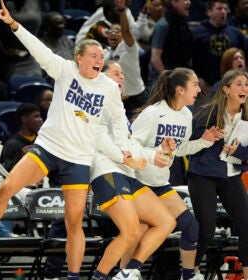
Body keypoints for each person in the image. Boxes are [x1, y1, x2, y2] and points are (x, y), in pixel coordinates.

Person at [0, 0, 141, 278]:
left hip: (78, 158)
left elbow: (120, 120)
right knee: (6, 188)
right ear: (79, 58)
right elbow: (37, 49)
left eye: (101, 57)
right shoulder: (64, 70)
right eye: (94, 56)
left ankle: (73, 276)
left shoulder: (109, 88)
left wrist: (124, 148)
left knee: (74, 222)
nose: (99, 60)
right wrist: (14, 24)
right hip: (49, 147)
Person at [122, 67, 225, 280]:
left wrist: (205, 141)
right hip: (138, 181)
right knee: (138, 231)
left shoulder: (186, 115)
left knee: (190, 226)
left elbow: (180, 149)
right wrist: (155, 154)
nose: (199, 89)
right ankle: (127, 272)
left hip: (160, 183)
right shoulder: (152, 113)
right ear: (180, 89)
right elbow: (129, 144)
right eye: (194, 84)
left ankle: (188, 275)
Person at [90, 59, 178, 280]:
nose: (122, 78)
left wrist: (156, 154)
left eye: (122, 74)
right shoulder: (96, 102)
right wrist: (125, 158)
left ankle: (127, 271)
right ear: (102, 77)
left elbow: (132, 145)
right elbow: (98, 137)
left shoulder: (118, 108)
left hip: (127, 173)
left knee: (165, 222)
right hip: (106, 171)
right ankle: (99, 277)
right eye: (116, 73)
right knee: (130, 231)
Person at [187, 69, 248, 279]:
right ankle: (192, 270)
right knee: (207, 227)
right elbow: (189, 146)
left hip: (230, 175)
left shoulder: (247, 116)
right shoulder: (207, 113)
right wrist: (208, 138)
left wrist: (238, 151)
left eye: (246, 85)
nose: (244, 89)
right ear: (226, 89)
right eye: (239, 84)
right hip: (203, 174)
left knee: (247, 222)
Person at [191, 0, 248, 108]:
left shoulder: (235, 33)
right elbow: (188, 58)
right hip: (205, 86)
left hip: (232, 85)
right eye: (219, 9)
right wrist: (196, 78)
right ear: (209, 12)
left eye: (225, 9)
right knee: (206, 119)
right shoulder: (197, 33)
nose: (223, 12)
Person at [103, 0, 148, 122]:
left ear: (122, 35)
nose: (113, 34)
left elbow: (126, 31)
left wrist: (122, 11)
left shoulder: (129, 48)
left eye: (117, 31)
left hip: (137, 96)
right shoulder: (104, 54)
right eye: (111, 31)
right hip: (119, 99)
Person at [148, 0, 193, 88]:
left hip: (180, 77)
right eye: (185, 0)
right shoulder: (163, 26)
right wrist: (169, 80)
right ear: (174, 2)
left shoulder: (182, 23)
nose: (189, 2)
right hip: (162, 81)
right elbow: (155, 58)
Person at [0, 103, 43, 172]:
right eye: (36, 116)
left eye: (40, 116)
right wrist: (23, 159)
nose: (40, 120)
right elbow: (6, 172)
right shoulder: (11, 145)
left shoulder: (42, 141)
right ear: (24, 119)